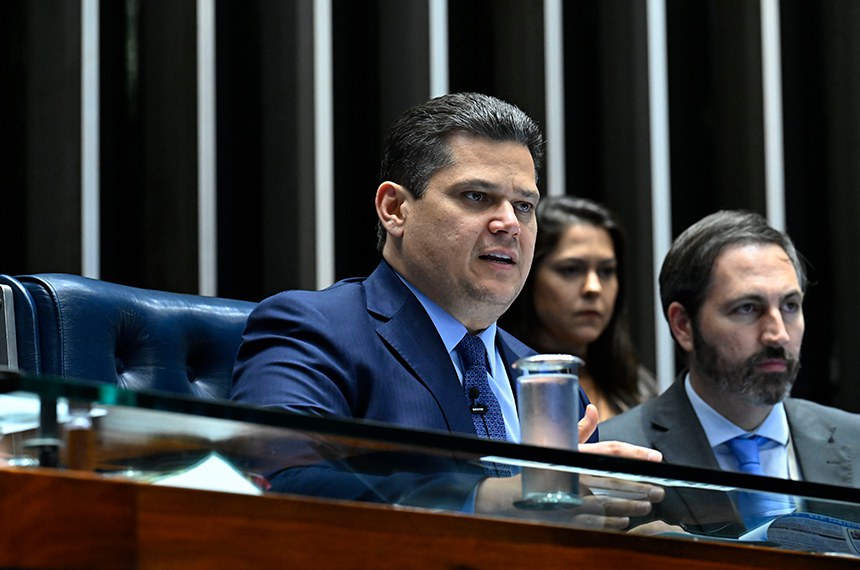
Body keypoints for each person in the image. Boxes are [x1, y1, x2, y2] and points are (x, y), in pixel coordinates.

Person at [231, 92, 661, 520]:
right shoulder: (314, 327)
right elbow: (276, 484)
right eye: (476, 196)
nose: (509, 223)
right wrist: (494, 498)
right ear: (395, 208)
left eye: (524, 206)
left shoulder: (545, 379)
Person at [601, 210, 860, 533]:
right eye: (747, 308)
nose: (777, 334)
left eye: (790, 306)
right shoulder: (616, 455)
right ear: (683, 325)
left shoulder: (855, 440)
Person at [501, 196, 657, 421]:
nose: (593, 288)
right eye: (571, 270)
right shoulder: (495, 377)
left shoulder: (638, 386)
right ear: (529, 274)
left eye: (606, 271)